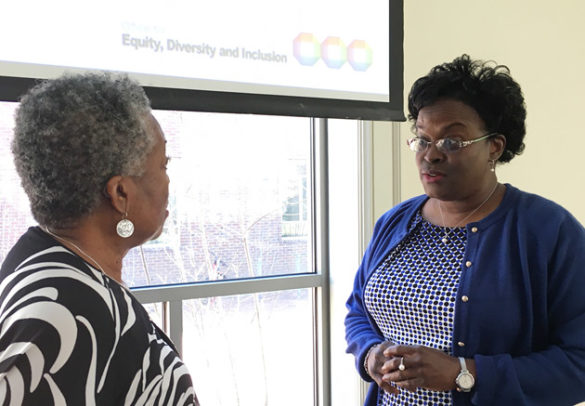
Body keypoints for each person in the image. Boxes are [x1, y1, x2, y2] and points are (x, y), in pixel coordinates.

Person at [345, 54, 585, 406]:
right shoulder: (394, 223)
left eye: (452, 142)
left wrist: (465, 373)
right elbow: (358, 310)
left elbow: (579, 363)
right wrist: (370, 355)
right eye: (422, 139)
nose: (431, 154)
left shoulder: (548, 231)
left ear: (495, 147)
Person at [0, 73, 199, 405]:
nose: (168, 183)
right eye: (163, 165)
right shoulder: (69, 317)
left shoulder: (41, 258)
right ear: (120, 193)